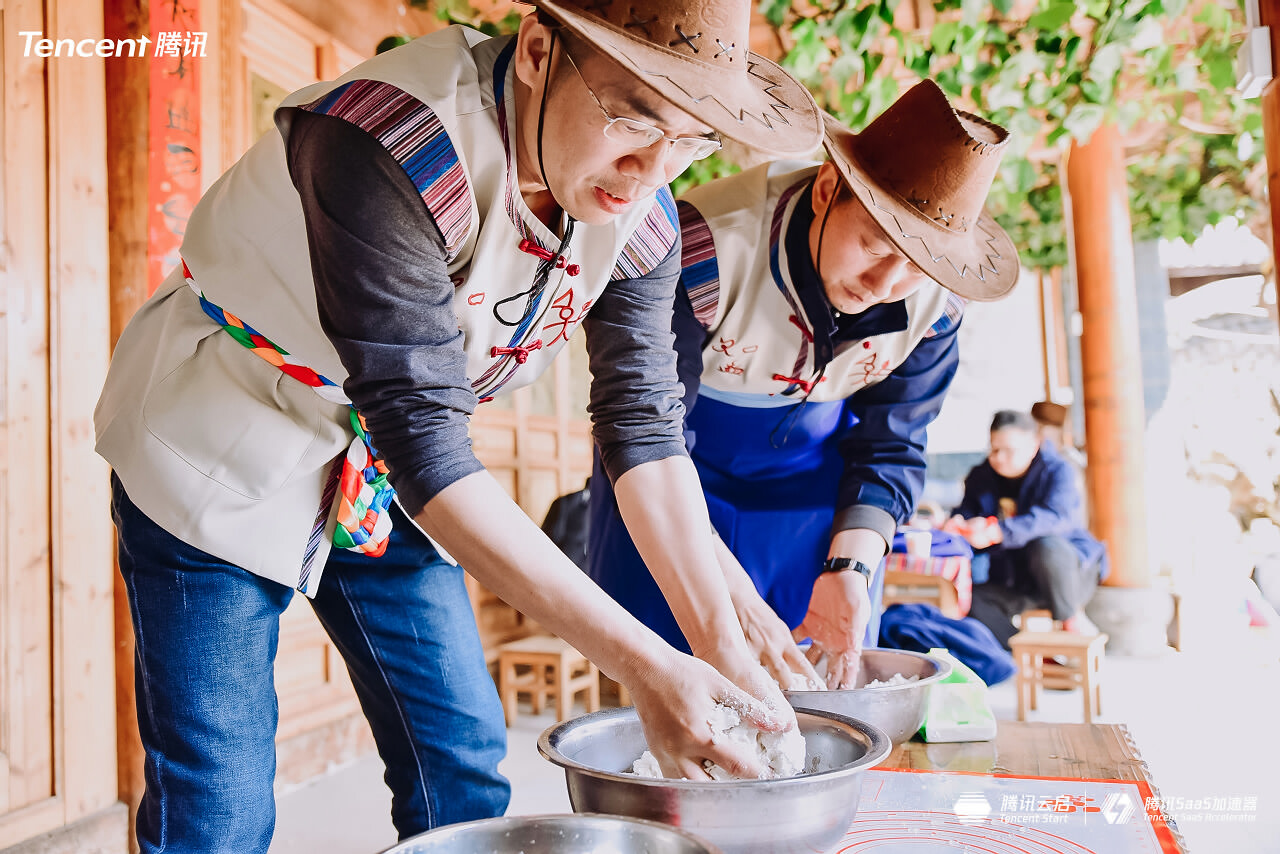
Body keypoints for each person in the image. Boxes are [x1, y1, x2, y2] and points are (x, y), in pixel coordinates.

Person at [94, 1, 825, 850]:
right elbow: (425, 436)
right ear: (540, 51)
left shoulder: (644, 222)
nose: (650, 170)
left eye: (694, 141)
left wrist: (720, 648)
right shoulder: (387, 141)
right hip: (228, 432)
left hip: (384, 472)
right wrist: (644, 666)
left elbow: (643, 428)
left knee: (464, 762)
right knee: (218, 798)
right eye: (633, 116)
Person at [587, 80, 1020, 689]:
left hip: (814, 495)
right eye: (873, 244)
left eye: (915, 269)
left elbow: (891, 444)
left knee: (818, 691)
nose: (883, 283)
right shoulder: (701, 245)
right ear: (825, 191)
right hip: (671, 469)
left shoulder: (935, 311)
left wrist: (850, 565)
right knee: (667, 684)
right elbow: (645, 427)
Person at [949, 410, 1109, 648]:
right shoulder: (980, 476)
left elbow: (1055, 518)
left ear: (1034, 445)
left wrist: (997, 531)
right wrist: (960, 525)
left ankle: (1069, 624)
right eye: (994, 449)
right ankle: (1029, 652)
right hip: (1017, 580)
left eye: (1009, 450)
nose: (999, 457)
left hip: (1067, 575)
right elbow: (967, 512)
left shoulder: (1058, 471)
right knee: (965, 599)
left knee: (1046, 546)